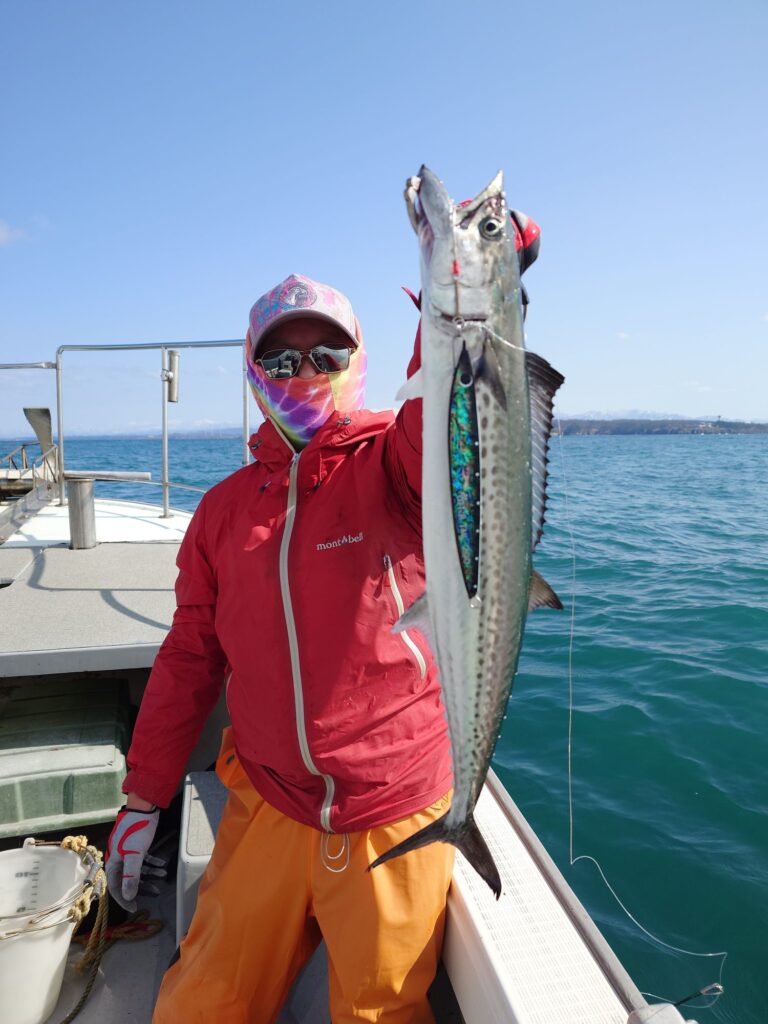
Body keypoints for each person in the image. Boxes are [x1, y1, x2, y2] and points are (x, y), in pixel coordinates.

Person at [105, 272, 456, 1024]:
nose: (305, 373)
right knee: (199, 1005)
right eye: (282, 359)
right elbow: (191, 656)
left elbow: (448, 410)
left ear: (359, 360)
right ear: (253, 372)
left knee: (381, 1012)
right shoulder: (222, 510)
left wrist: (462, 297)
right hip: (267, 803)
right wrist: (143, 795)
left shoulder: (399, 469)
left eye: (328, 354)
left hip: (392, 809)